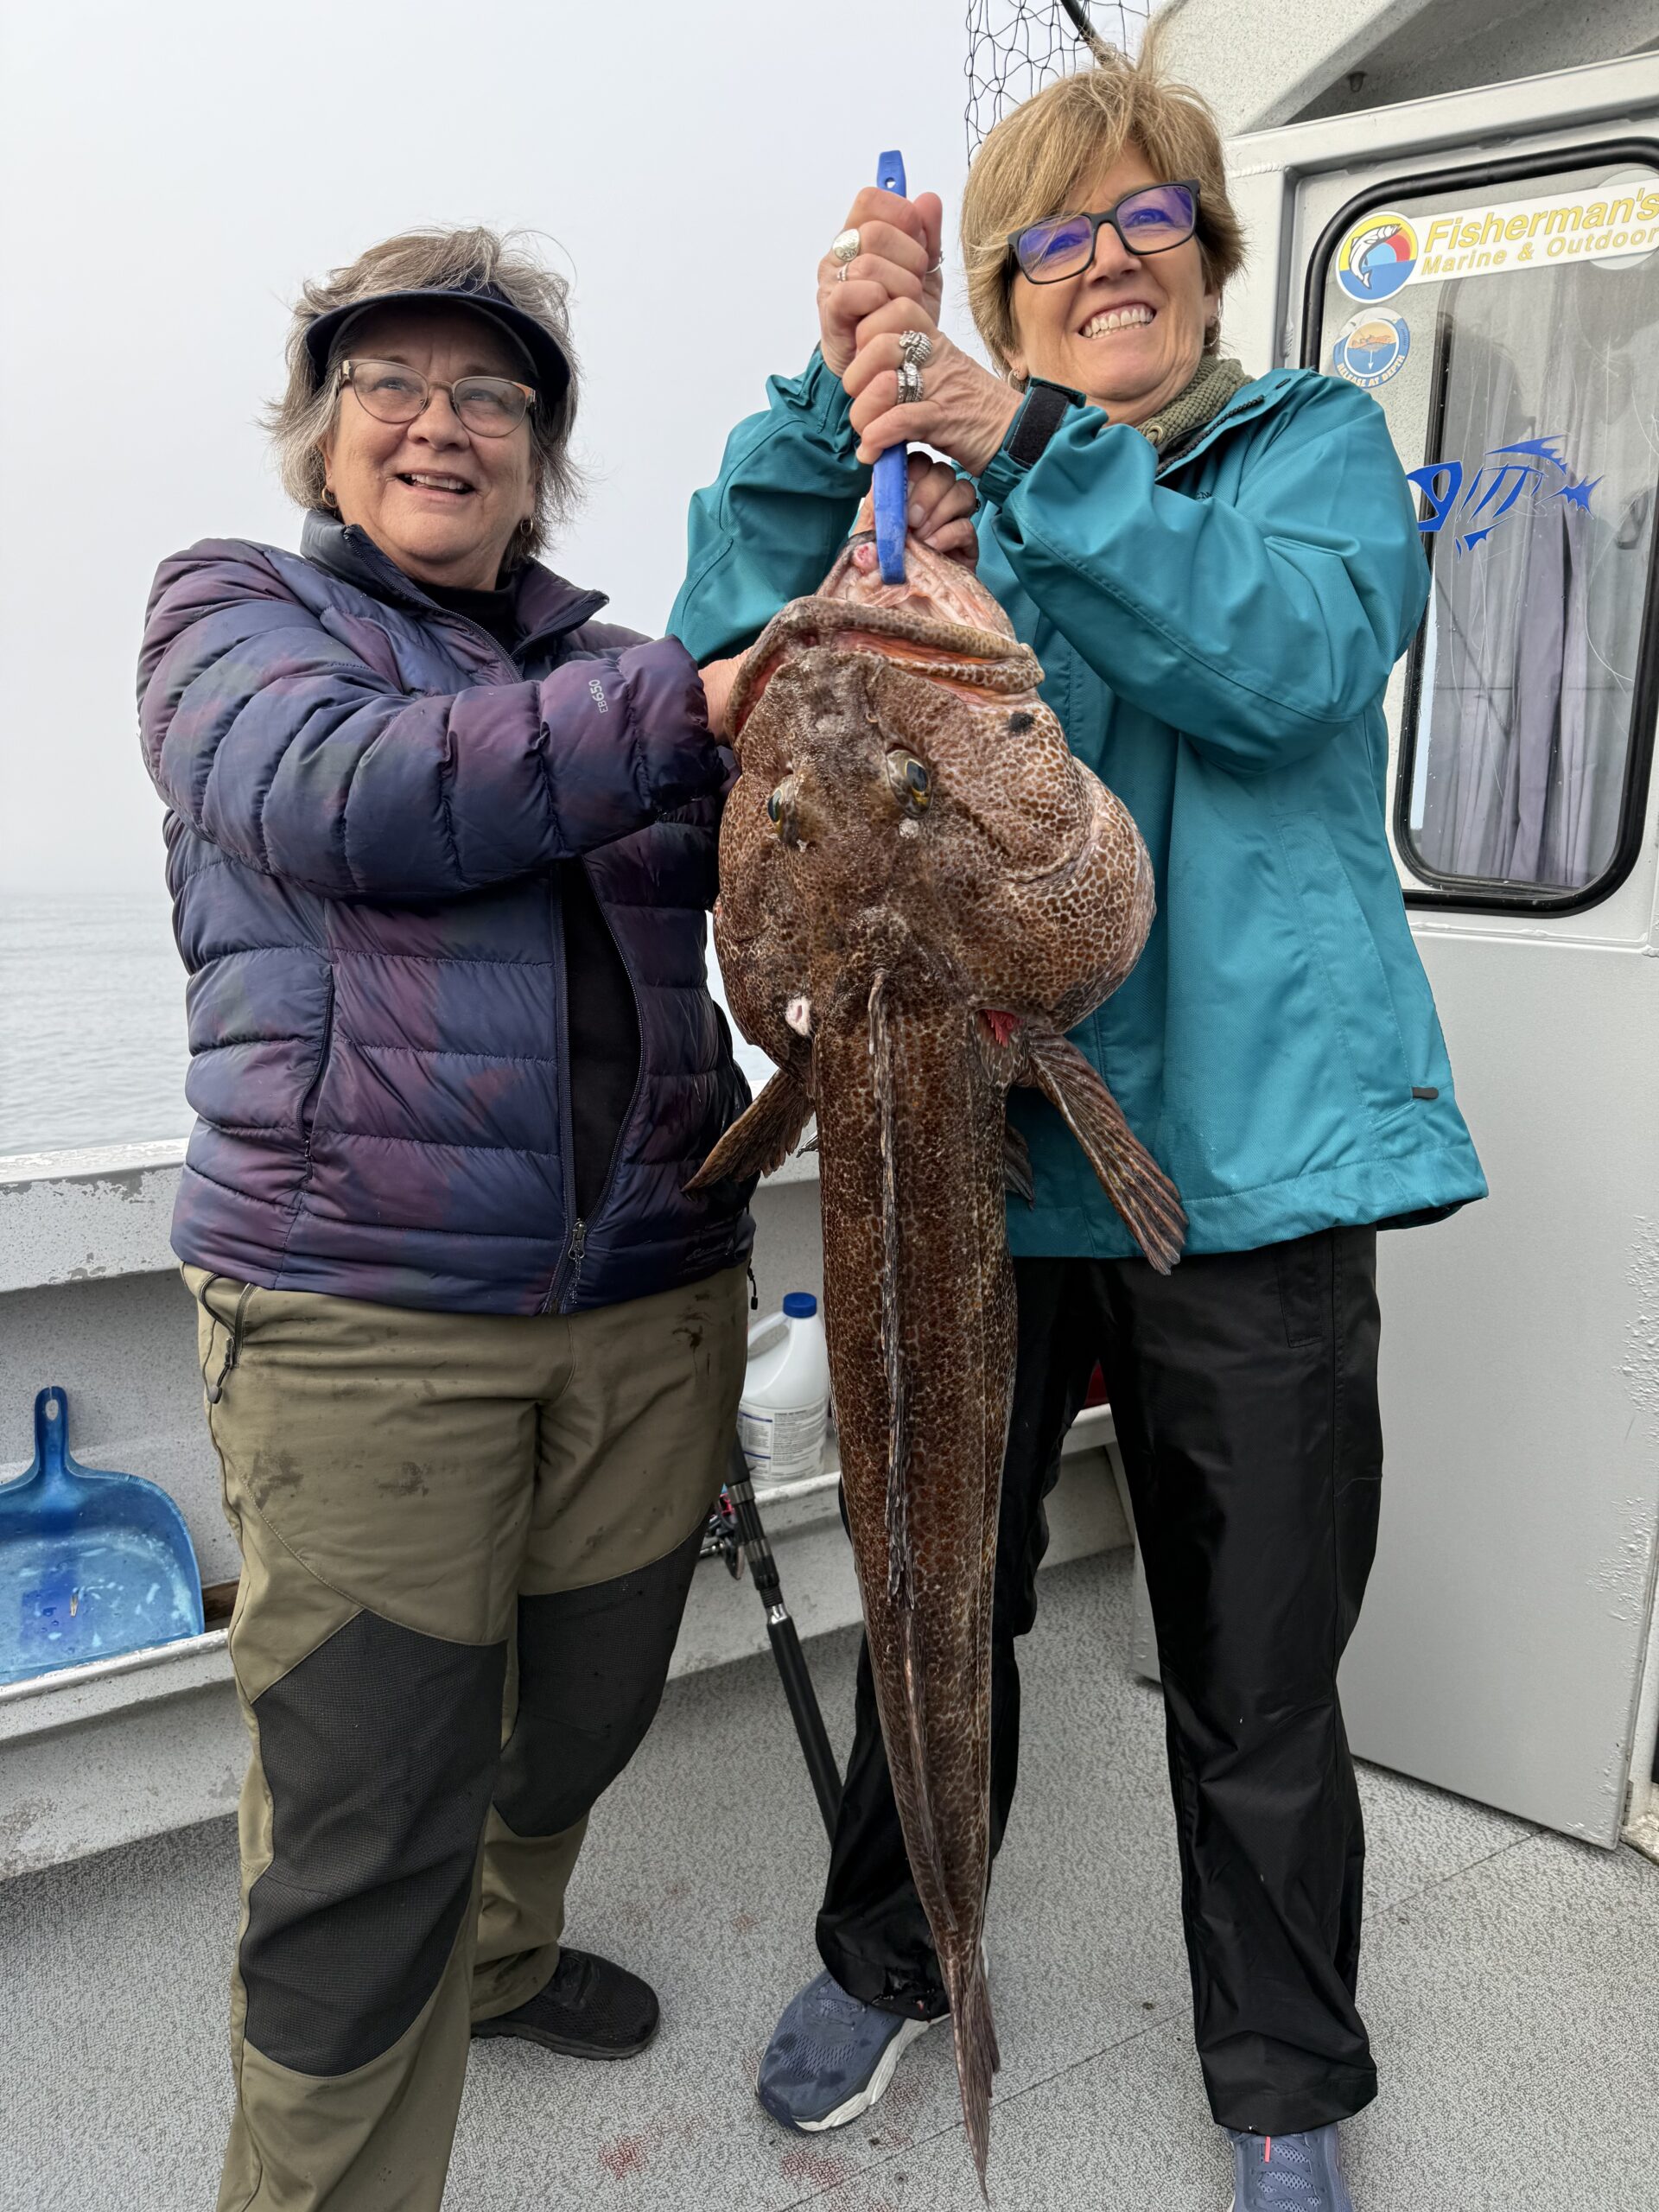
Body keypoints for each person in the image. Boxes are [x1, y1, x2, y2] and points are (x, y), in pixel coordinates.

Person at [670, 36, 1485, 2212]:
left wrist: (1026, 449)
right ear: (1001, 288)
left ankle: (1285, 2070)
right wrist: (833, 389)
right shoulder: (927, 505)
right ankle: (892, 1949)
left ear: (1209, 259)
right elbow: (725, 647)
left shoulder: (1307, 451)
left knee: (1261, 1655)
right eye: (1056, 237)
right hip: (980, 1148)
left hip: (1262, 1156)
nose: (1111, 260)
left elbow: (1290, 662)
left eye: (1150, 221)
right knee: (933, 1580)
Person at [139, 226, 758, 2212]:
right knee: (367, 1823)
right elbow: (358, 795)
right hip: (366, 1311)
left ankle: (496, 1959)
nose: (440, 422)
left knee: (578, 1721)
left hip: (650, 1294)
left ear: (539, 454)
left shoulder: (610, 670)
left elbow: (759, 881)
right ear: (321, 434)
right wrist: (689, 706)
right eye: (391, 385)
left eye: (490, 393)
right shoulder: (237, 619)